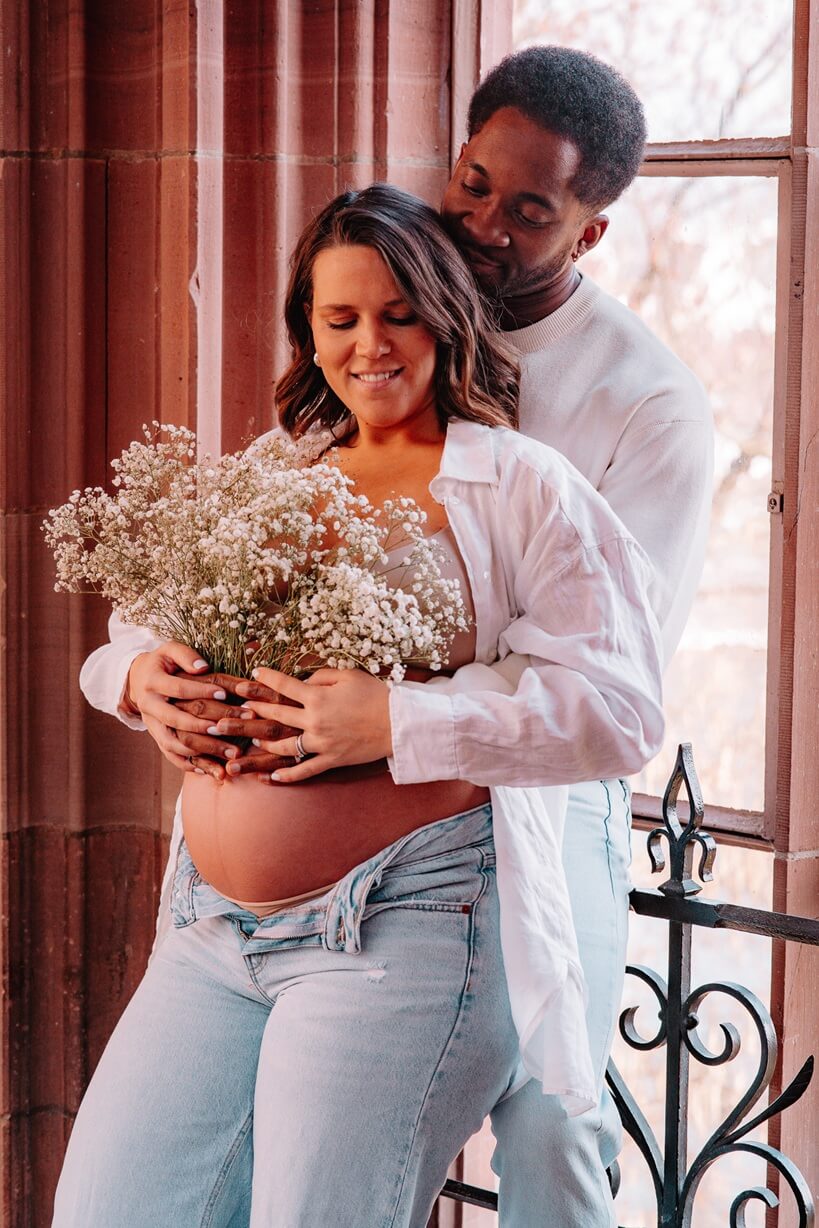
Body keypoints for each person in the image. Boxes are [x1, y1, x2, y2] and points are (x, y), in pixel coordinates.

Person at [77, 47, 713, 1228]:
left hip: (459, 869)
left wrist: (392, 712)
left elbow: (615, 692)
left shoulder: (607, 427)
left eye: (528, 210)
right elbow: (149, 617)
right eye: (473, 185)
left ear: (586, 231)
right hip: (210, 921)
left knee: (554, 1118)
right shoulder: (290, 459)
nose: (484, 222)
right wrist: (138, 679)